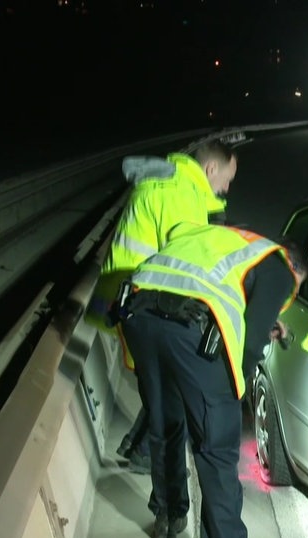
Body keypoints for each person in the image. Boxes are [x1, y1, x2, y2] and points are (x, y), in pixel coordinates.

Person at [120, 221, 305, 538]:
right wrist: (233, 397)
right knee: (217, 449)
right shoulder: (279, 266)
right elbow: (250, 346)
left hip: (138, 314)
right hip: (188, 330)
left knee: (165, 422)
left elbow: (217, 294)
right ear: (295, 268)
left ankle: (168, 518)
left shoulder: (224, 239)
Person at [94, 139, 239, 474]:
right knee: (172, 384)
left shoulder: (171, 182)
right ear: (211, 169)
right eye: (227, 179)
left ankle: (138, 446)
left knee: (162, 385)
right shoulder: (181, 194)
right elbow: (184, 264)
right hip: (139, 302)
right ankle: (148, 457)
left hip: (127, 295)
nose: (227, 187)